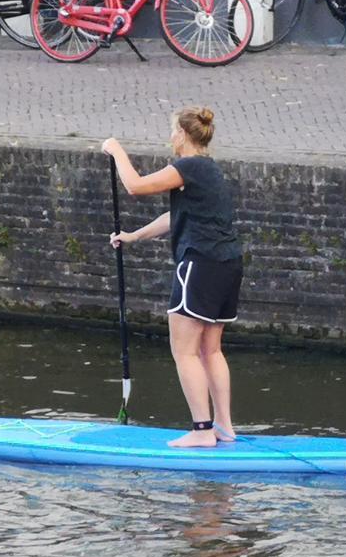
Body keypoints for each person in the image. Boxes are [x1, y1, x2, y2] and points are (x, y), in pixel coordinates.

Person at [103, 106, 243, 448]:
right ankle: (224, 427)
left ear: (182, 134)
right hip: (228, 263)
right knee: (211, 349)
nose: (170, 138)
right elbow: (177, 216)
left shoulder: (188, 166)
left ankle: (201, 430)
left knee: (184, 351)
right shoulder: (209, 170)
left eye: (171, 132)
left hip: (200, 263)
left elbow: (134, 186)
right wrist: (134, 236)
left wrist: (115, 149)